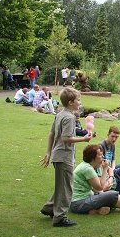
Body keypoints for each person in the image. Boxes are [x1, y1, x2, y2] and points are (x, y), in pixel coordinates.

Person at [40, 87, 92, 227]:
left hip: (58, 155)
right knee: (66, 188)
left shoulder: (60, 114)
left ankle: (49, 208)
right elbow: (66, 138)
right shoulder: (69, 117)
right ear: (70, 102)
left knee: (61, 186)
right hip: (64, 156)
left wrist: (48, 152)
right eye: (78, 100)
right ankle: (59, 217)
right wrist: (84, 140)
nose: (80, 103)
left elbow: (52, 134)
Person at [69, 144, 120, 215]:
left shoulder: (88, 166)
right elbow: (100, 187)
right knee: (112, 194)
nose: (103, 157)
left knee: (106, 195)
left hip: (83, 200)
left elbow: (96, 189)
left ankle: (94, 211)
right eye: (100, 155)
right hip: (78, 203)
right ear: (93, 157)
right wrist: (105, 169)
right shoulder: (87, 169)